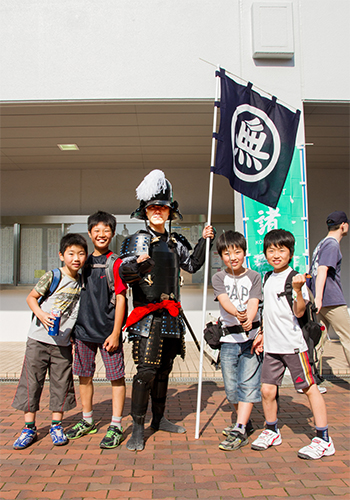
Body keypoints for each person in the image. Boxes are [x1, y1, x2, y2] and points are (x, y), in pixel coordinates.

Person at [119, 169, 214, 451]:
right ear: (145, 211)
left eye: (162, 207)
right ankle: (137, 426)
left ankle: (158, 419)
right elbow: (124, 273)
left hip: (172, 315)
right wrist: (138, 266)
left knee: (164, 372)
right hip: (147, 315)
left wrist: (205, 242)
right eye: (153, 207)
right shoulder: (138, 240)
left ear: (170, 212)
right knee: (145, 372)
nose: (158, 211)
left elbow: (193, 266)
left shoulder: (176, 242)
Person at [250, 229, 335, 460]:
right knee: (267, 390)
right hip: (272, 348)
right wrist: (262, 334)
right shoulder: (267, 278)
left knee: (309, 388)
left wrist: (297, 290)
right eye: (271, 250)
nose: (276, 254)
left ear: (290, 253)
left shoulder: (295, 278)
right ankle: (271, 430)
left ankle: (324, 438)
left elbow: (299, 312)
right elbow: (268, 312)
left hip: (294, 347)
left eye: (281, 250)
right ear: (265, 253)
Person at [12, 233, 88, 450]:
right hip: (38, 339)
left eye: (81, 254)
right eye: (71, 253)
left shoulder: (82, 280)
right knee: (31, 381)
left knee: (61, 383)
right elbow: (31, 297)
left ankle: (56, 425)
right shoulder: (52, 276)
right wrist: (42, 315)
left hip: (63, 343)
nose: (76, 258)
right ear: (61, 255)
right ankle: (29, 428)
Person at [66, 211, 127, 449]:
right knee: (84, 376)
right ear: (90, 233)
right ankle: (87, 420)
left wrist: (115, 332)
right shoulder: (82, 262)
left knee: (116, 377)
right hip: (83, 331)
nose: (101, 234)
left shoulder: (116, 263)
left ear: (112, 233)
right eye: (97, 230)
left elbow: (121, 299)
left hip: (107, 333)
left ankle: (116, 424)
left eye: (106, 230)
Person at [212, 231, 263, 451]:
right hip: (229, 340)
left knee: (248, 385)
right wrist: (238, 314)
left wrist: (249, 318)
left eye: (237, 252)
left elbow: (254, 301)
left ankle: (240, 427)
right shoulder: (218, 277)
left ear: (244, 252)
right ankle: (245, 420)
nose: (233, 257)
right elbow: (224, 301)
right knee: (232, 389)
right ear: (220, 255)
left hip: (251, 340)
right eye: (227, 253)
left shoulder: (254, 276)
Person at [309, 210, 350, 366]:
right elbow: (322, 270)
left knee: (318, 340)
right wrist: (319, 298)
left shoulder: (321, 244)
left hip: (320, 300)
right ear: (343, 226)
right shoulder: (331, 244)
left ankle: (311, 378)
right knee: (347, 336)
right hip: (331, 299)